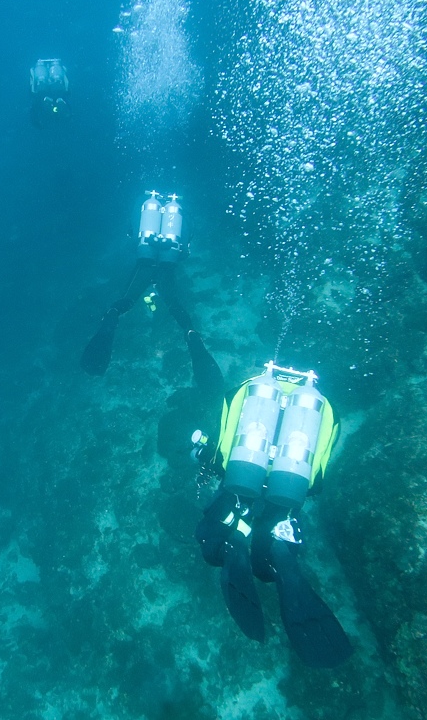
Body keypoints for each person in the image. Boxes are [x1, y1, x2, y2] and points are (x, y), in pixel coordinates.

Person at [191, 361, 352, 668]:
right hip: (287, 491)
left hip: (240, 483)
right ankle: (281, 558)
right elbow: (316, 481)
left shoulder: (243, 392)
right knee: (269, 558)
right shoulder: (326, 411)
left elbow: (221, 451)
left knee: (211, 541)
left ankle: (236, 540)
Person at [81, 191, 220, 394]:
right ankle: (193, 340)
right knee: (173, 305)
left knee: (124, 303)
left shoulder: (143, 206)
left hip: (144, 262)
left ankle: (104, 337)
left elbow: (132, 233)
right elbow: (187, 241)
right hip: (168, 263)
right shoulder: (182, 214)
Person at [29, 58, 70, 128]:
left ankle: (49, 102)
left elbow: (34, 112)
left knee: (40, 102)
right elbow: (66, 82)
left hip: (42, 89)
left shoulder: (34, 70)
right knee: (57, 100)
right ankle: (54, 103)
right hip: (57, 88)